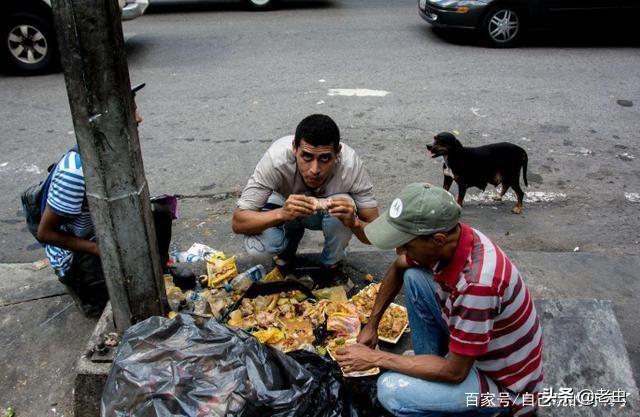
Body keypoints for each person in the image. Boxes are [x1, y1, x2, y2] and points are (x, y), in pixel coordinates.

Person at [335, 183, 543, 417]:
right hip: (475, 349)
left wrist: (376, 358)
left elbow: (455, 373)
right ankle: (431, 364)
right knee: (413, 276)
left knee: (390, 391)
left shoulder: (478, 286)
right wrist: (372, 324)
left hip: (504, 385)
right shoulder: (453, 240)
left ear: (438, 239)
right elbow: (399, 265)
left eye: (406, 243)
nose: (399, 250)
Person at [36, 84, 174, 317]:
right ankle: (87, 292)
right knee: (119, 306)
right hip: (79, 252)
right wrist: (101, 250)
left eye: (136, 110)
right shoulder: (75, 173)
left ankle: (159, 274)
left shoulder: (118, 152)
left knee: (159, 212)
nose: (139, 119)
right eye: (131, 113)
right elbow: (46, 233)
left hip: (103, 233)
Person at [232, 114, 379, 274]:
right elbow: (239, 222)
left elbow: (376, 233)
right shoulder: (276, 160)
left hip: (327, 216)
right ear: (294, 148)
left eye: (324, 158)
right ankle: (284, 253)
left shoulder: (351, 166)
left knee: (344, 205)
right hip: (284, 206)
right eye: (307, 157)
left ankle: (331, 265)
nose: (314, 170)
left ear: (337, 153)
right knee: (258, 248)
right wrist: (281, 214)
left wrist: (354, 222)